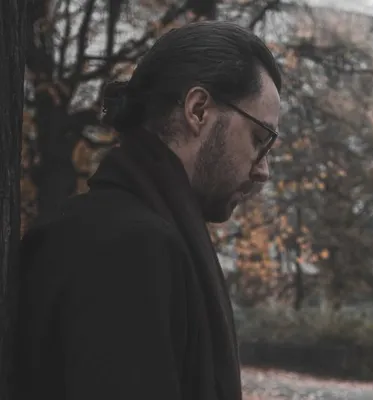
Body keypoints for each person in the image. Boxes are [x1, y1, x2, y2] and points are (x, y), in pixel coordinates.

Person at [14, 21, 281, 400]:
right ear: (198, 110)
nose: (263, 170)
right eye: (260, 138)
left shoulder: (113, 228)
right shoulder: (127, 247)